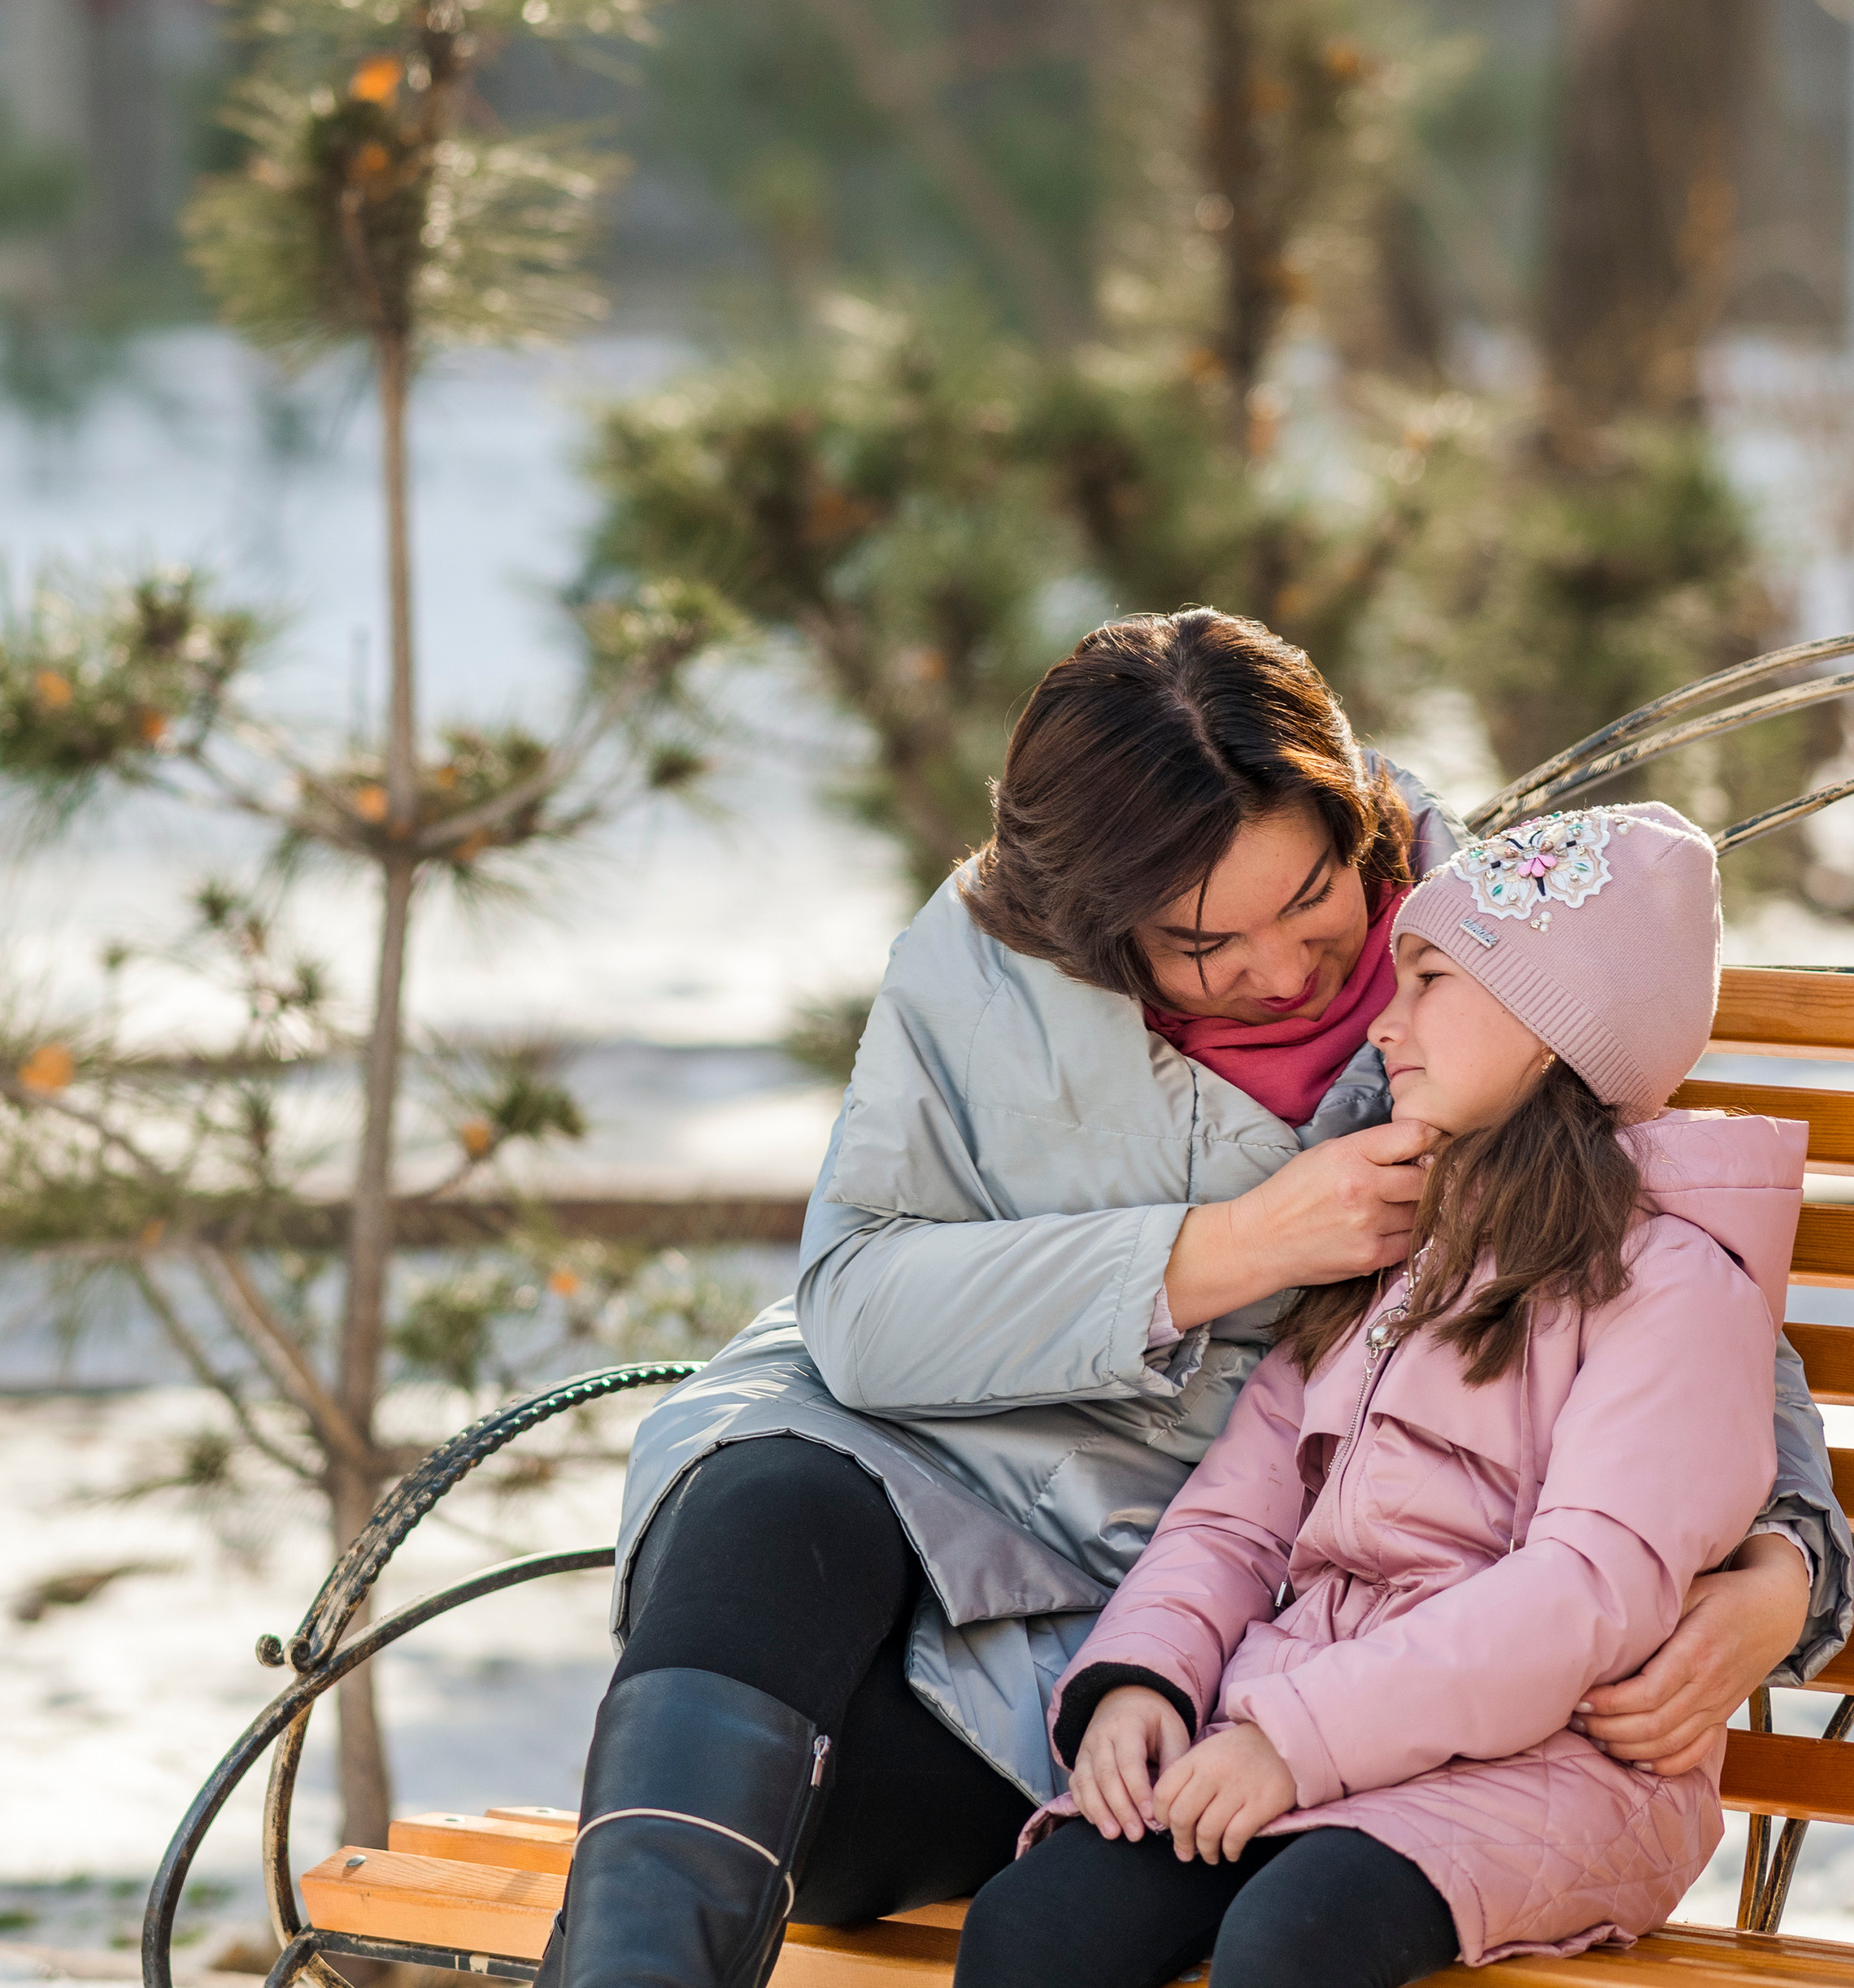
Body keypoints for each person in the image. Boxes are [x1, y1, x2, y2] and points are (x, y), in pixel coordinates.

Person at [537, 613, 1850, 1988]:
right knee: (763, 1494)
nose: (1287, 973)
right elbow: (857, 1308)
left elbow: (1660, 1255)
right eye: (1203, 943)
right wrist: (1226, 1248)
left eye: (1316, 902)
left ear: (1364, 834)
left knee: (1076, 1905)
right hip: (975, 1536)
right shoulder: (985, 968)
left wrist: (1790, 1564)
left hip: (1209, 1637)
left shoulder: (1492, 939)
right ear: (1095, 928)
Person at [953, 800, 1800, 1988]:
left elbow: (1583, 1595)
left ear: (1556, 1028)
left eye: (1432, 981)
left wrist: (1295, 1746)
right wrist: (1144, 1678)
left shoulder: (1674, 1286)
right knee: (1037, 1928)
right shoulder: (1398, 1238)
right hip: (1306, 1732)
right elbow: (1237, 1517)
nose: (1387, 1026)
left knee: (1298, 1941)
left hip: (1554, 1770)